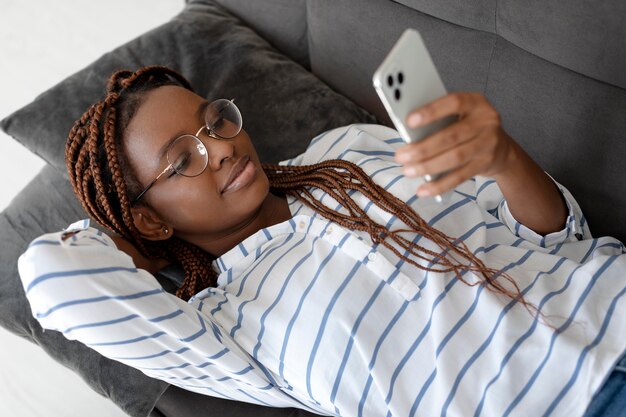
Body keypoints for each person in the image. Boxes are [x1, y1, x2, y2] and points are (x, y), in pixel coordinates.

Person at [18, 66, 626, 417]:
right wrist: (131, 238)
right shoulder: (222, 329)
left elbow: (557, 236)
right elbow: (52, 277)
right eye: (183, 159)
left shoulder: (347, 152)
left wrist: (504, 156)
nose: (223, 146)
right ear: (151, 220)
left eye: (214, 121)